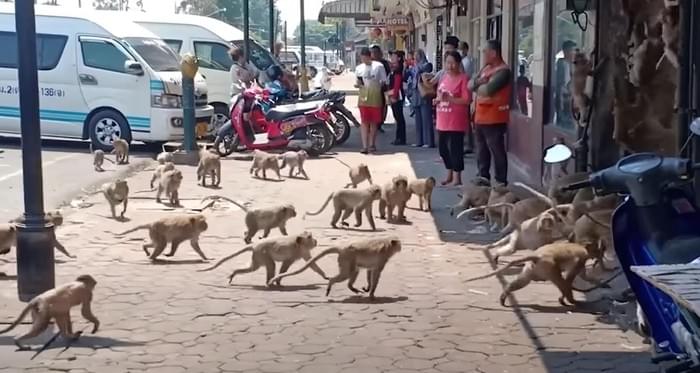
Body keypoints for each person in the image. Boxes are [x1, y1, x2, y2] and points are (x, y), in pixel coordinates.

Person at [469, 39, 513, 186]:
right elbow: (470, 84)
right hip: (480, 116)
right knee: (481, 150)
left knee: (496, 149)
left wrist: (478, 85)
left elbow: (488, 90)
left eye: (485, 52)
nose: (483, 55)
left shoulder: (503, 71)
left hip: (495, 117)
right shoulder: (485, 69)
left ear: (493, 53)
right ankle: (483, 176)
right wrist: (478, 84)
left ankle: (501, 180)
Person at [435, 51, 472, 186]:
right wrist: (437, 100)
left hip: (456, 119)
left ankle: (457, 178)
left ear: (458, 63)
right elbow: (440, 95)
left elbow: (467, 100)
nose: (450, 66)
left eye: (453, 63)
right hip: (442, 118)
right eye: (447, 63)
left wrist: (450, 99)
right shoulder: (444, 77)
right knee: (443, 149)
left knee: (456, 149)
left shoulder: (463, 78)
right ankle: (449, 174)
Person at [355, 47, 387, 154]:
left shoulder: (378, 66)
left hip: (375, 96)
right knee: (364, 122)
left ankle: (372, 144)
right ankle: (364, 146)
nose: (363, 60)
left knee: (374, 122)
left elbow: (384, 81)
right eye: (362, 58)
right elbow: (358, 81)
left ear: (369, 56)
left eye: (365, 57)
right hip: (363, 97)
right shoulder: (359, 68)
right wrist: (358, 84)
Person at [409, 49, 435, 148]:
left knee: (426, 119)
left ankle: (429, 141)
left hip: (424, 93)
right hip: (416, 93)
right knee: (418, 120)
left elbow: (425, 69)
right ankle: (419, 141)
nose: (415, 57)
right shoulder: (414, 67)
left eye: (416, 55)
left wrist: (416, 66)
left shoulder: (426, 64)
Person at [554, 40, 577, 129]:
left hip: (570, 98)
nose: (573, 53)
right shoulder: (562, 64)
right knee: (564, 122)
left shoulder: (572, 64)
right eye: (571, 50)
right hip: (564, 99)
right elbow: (563, 83)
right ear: (565, 51)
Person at [370, 45, 391, 133]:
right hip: (371, 89)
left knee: (382, 106)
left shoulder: (384, 64)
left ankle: (379, 124)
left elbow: (388, 76)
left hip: (383, 88)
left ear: (380, 53)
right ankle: (372, 124)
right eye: (372, 53)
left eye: (376, 52)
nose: (374, 54)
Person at [388, 51, 407, 145]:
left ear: (399, 58)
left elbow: (397, 84)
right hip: (394, 94)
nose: (392, 57)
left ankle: (401, 138)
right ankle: (399, 137)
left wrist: (394, 96)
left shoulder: (398, 69)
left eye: (394, 56)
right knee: (398, 117)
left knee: (399, 117)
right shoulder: (394, 68)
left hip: (397, 95)